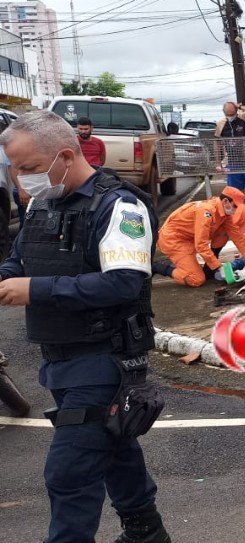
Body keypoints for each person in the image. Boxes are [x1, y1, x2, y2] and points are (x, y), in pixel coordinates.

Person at [0, 111, 170, 543]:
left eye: (30, 167)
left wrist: (35, 289)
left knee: (69, 473)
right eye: (15, 168)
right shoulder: (44, 202)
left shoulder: (120, 207)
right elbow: (19, 260)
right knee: (114, 447)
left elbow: (124, 282)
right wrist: (6, 279)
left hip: (105, 359)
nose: (21, 178)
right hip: (60, 359)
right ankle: (146, 532)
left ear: (65, 156)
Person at [152, 186, 245, 287]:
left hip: (189, 239)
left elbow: (238, 237)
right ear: (225, 201)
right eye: (235, 206)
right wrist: (218, 267)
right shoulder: (206, 211)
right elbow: (201, 244)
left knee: (224, 233)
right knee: (196, 279)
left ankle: (206, 269)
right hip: (173, 240)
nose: (235, 210)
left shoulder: (224, 214)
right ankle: (156, 268)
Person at [215, 101, 245, 208]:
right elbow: (217, 144)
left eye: (232, 114)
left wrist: (240, 106)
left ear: (236, 111)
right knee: (238, 193)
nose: (230, 116)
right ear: (223, 112)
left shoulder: (244, 117)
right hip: (233, 163)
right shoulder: (221, 124)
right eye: (227, 114)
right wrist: (218, 163)